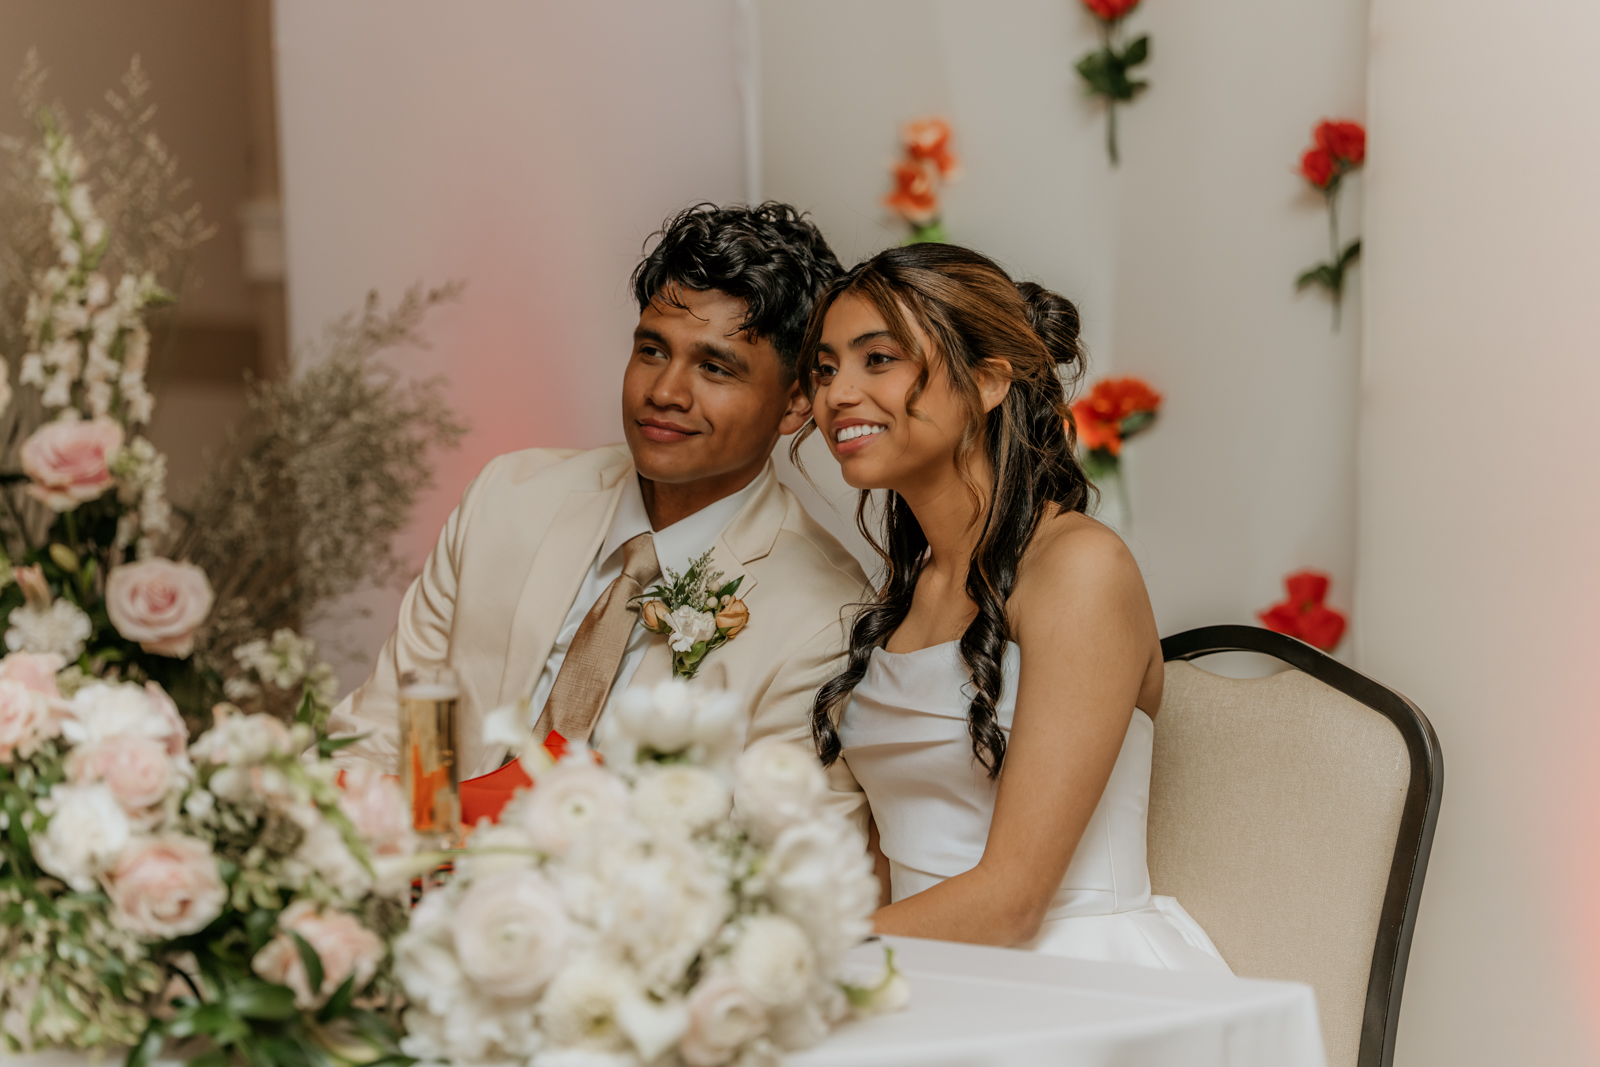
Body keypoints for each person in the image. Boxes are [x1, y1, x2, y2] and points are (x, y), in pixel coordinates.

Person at [328, 202, 868, 820]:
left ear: (796, 401)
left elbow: (780, 857)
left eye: (714, 368)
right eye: (652, 351)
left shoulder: (824, 620)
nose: (664, 392)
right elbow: (386, 735)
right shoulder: (508, 499)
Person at [796, 242, 1228, 971]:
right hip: (913, 964)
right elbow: (885, 863)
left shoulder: (1080, 568)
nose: (838, 394)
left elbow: (1013, 902)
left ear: (989, 381)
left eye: (879, 359)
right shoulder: (905, 594)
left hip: (1070, 971)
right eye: (826, 368)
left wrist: (794, 962)